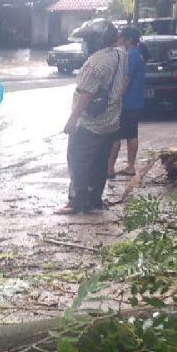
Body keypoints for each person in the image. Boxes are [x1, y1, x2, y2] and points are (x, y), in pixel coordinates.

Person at [59, 18, 127, 214]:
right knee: (99, 162)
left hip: (89, 123)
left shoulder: (95, 63)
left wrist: (72, 119)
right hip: (111, 120)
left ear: (97, 40)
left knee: (78, 161)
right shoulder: (120, 55)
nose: (86, 44)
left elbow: (85, 94)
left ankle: (76, 202)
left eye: (88, 40)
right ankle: (95, 199)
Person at [107, 27, 146, 178]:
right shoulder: (137, 53)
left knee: (115, 136)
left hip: (127, 102)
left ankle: (109, 168)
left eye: (121, 36)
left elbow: (126, 80)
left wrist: (115, 97)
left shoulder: (131, 55)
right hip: (135, 101)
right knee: (131, 134)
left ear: (128, 39)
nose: (119, 39)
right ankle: (130, 166)